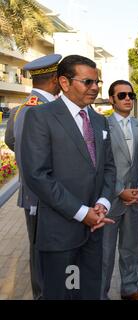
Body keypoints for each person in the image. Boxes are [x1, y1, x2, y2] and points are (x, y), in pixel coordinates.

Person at [19, 55, 116, 300]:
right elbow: (37, 175)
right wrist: (82, 212)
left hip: (95, 229)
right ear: (64, 82)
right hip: (60, 232)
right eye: (87, 82)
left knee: (89, 291)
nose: (95, 88)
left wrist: (103, 203)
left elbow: (108, 168)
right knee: (62, 293)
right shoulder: (40, 116)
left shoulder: (98, 119)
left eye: (97, 82)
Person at [4, 54, 62, 300]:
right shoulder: (43, 110)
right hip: (42, 195)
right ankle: (43, 295)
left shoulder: (20, 110)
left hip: (34, 193)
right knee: (41, 249)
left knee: (40, 247)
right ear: (56, 79)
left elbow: (10, 141)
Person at [101, 80, 138, 300]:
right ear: (111, 99)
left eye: (131, 95)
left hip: (136, 200)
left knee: (132, 249)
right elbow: (98, 166)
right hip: (110, 200)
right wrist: (119, 190)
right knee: (104, 252)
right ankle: (100, 292)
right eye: (122, 95)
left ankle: (130, 288)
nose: (128, 99)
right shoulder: (101, 126)